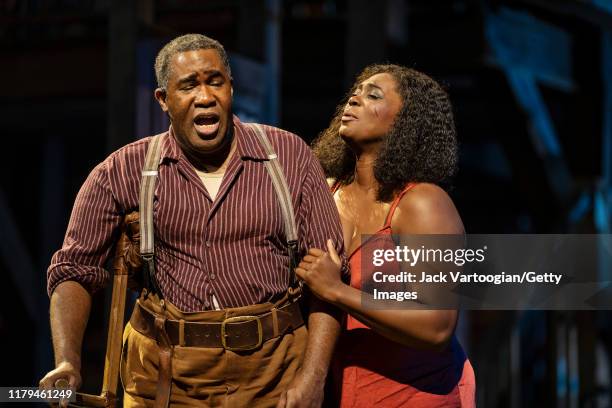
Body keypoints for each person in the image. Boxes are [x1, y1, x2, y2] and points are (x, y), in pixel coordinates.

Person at [39, 33, 346, 408]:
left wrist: (313, 378)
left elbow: (330, 280)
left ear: (230, 88)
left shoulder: (288, 156)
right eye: (188, 86)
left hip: (273, 372)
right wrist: (67, 359)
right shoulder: (124, 169)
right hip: (167, 377)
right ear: (164, 100)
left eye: (215, 81)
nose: (205, 96)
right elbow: (74, 269)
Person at [297, 64, 476, 407]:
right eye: (355, 92)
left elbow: (437, 326)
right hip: (340, 394)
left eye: (372, 95)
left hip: (414, 395)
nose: (354, 99)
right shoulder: (324, 193)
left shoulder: (421, 203)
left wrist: (337, 291)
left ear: (405, 123)